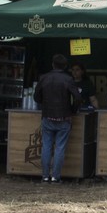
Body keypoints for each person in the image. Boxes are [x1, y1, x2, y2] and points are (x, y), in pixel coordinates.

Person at [35, 54, 80, 183]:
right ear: (65, 66)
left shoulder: (44, 78)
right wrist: (72, 110)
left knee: (46, 146)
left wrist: (43, 103)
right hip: (64, 117)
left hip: (48, 116)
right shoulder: (68, 79)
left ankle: (44, 176)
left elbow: (36, 97)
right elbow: (77, 98)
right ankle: (55, 177)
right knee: (60, 147)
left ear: (52, 64)